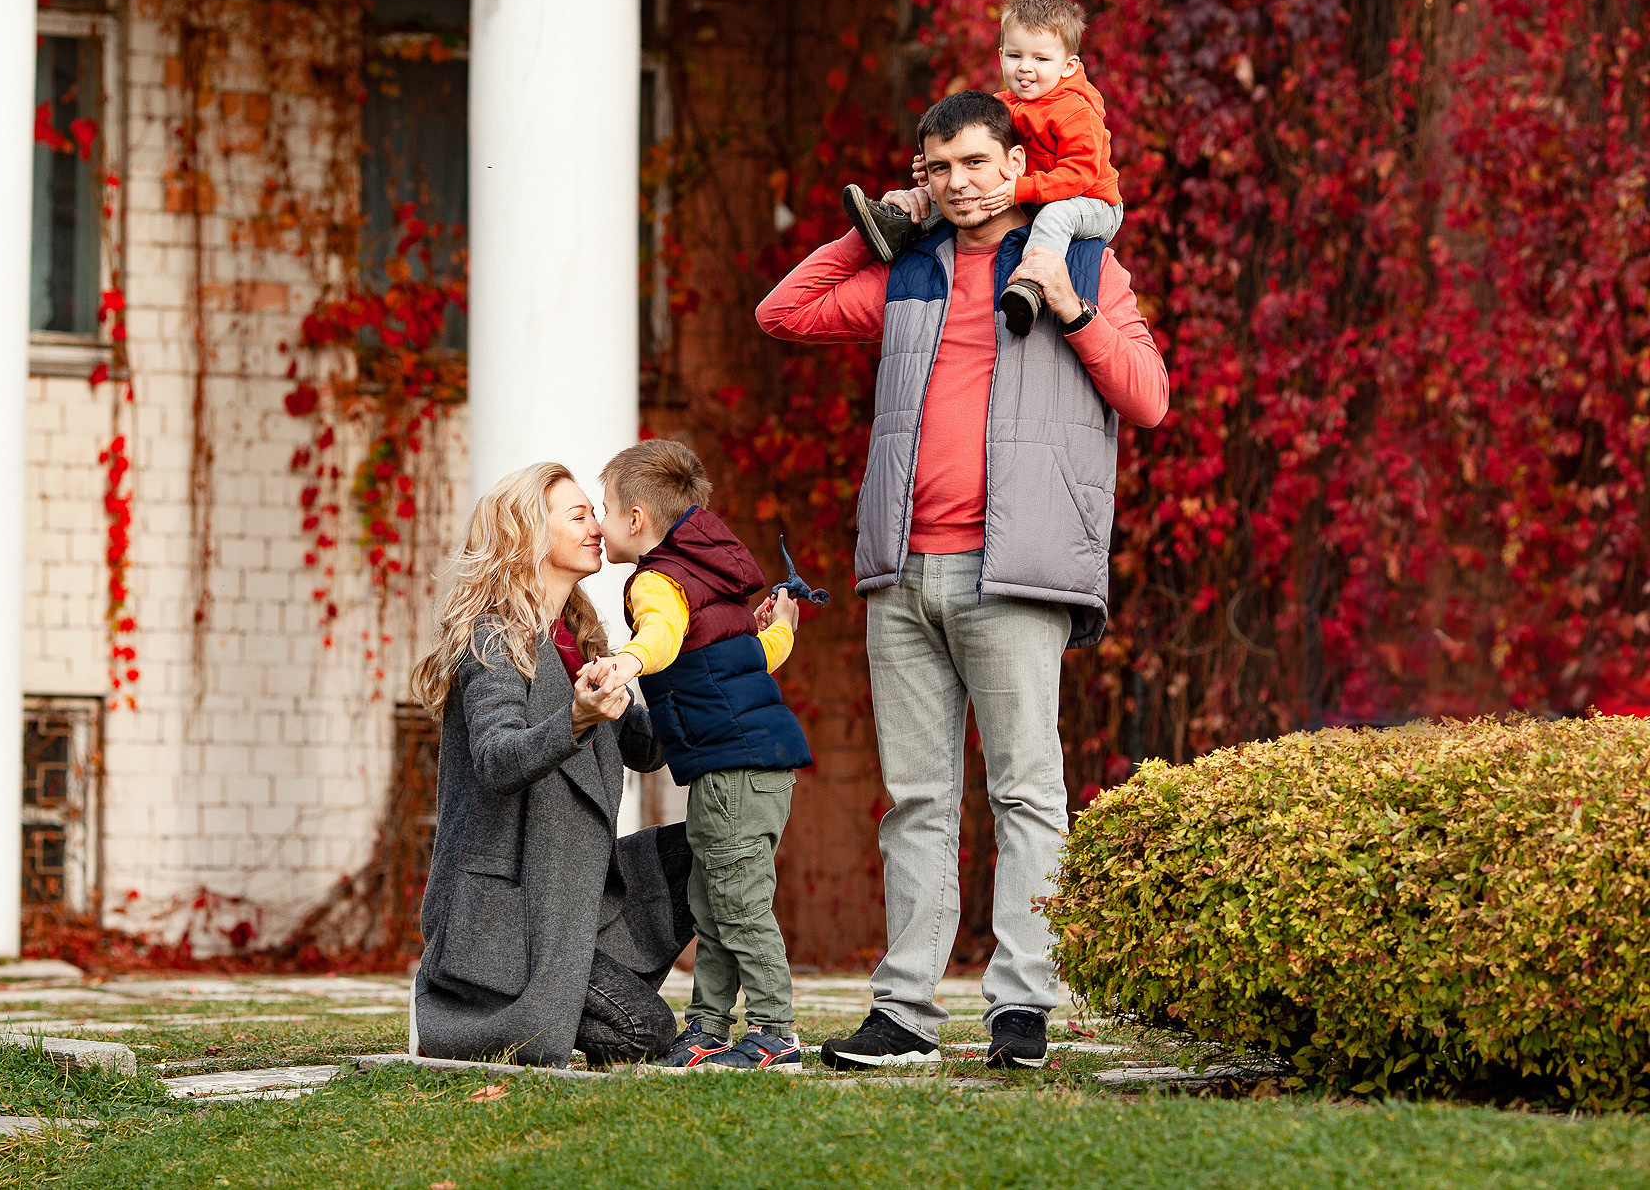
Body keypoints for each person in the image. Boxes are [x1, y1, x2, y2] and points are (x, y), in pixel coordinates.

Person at [758, 90, 1169, 1071]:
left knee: (1026, 793)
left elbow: (1147, 397)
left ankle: (1020, 1006)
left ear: (1015, 168)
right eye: (936, 169)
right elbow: (784, 312)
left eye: (975, 164)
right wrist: (873, 232)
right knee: (915, 801)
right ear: (920, 178)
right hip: (902, 575)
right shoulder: (908, 274)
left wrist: (1070, 311)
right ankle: (903, 1014)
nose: (957, 183)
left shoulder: (1079, 266)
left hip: (1014, 570)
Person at [410, 462, 697, 1068]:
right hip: (509, 920)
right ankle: (461, 1022)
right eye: (578, 515)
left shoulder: (577, 641)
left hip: (576, 898)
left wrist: (708, 650)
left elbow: (648, 748)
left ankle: (586, 985)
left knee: (714, 848)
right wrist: (576, 718)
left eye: (595, 512)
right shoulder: (493, 638)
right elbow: (496, 758)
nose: (598, 525)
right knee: (647, 1032)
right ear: (528, 536)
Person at [590, 440, 813, 1070]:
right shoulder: (711, 580)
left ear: (636, 520)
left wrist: (629, 659)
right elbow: (750, 660)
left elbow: (659, 637)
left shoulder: (657, 582)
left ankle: (775, 1029)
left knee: (738, 906)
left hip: (735, 770)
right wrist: (784, 631)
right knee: (712, 903)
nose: (600, 522)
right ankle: (710, 1026)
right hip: (744, 768)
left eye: (605, 508)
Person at [843, 0, 1123, 340]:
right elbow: (974, 157)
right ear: (1000, 54)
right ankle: (899, 226)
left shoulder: (1075, 112)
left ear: (1069, 65)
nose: (1025, 69)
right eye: (1015, 56)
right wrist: (933, 170)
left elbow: (1081, 174)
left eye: (1041, 59)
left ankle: (1033, 285)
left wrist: (1023, 188)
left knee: (1056, 214)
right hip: (1036, 192)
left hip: (1092, 203)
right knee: (964, 188)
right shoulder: (1004, 104)